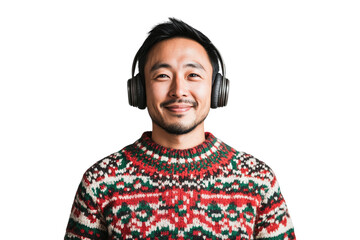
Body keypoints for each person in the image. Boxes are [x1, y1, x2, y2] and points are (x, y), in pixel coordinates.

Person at [64, 18, 295, 240]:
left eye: (193, 75)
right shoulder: (99, 182)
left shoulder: (258, 181)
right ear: (140, 90)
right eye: (162, 76)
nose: (179, 90)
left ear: (216, 89)